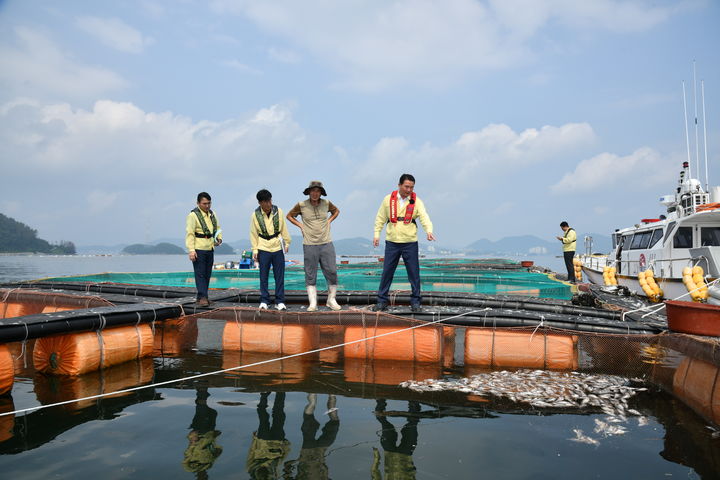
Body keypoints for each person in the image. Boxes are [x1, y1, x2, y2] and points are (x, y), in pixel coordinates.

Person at [373, 174, 435, 312]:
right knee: (387, 272)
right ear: (399, 185)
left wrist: (429, 231)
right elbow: (380, 218)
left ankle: (415, 301)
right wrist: (377, 234)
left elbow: (424, 216)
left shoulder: (416, 201)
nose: (409, 190)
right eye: (406, 186)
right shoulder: (388, 199)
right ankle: (382, 300)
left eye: (411, 187)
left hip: (410, 242)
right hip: (392, 241)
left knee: (414, 273)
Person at [286, 181, 342, 311]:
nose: (315, 193)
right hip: (309, 243)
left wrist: (329, 220)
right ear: (309, 192)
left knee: (332, 271)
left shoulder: (326, 203)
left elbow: (336, 211)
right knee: (310, 273)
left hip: (326, 241)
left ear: (321, 192)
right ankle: (313, 303)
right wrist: (300, 225)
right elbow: (289, 216)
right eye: (313, 191)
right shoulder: (302, 205)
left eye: (318, 191)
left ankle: (331, 300)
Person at [250, 189, 291, 310]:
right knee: (263, 275)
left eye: (269, 201)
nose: (268, 204)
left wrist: (287, 242)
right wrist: (255, 250)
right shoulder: (255, 215)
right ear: (260, 203)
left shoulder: (279, 211)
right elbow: (253, 233)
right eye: (265, 202)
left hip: (277, 246)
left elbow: (284, 228)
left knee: (279, 275)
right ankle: (264, 300)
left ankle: (280, 301)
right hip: (263, 246)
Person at [283, 393, 340, 480]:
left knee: (311, 419)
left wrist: (298, 461)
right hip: (319, 451)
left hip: (308, 451)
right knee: (335, 422)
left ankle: (314, 396)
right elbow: (287, 467)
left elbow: (286, 467)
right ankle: (330, 396)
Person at [186, 192, 222, 306]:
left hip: (210, 247)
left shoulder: (212, 214)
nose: (207, 206)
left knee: (207, 273)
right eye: (204, 203)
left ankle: (201, 296)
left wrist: (219, 238)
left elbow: (217, 228)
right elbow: (190, 233)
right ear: (198, 203)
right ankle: (203, 297)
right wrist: (191, 250)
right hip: (198, 248)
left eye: (209, 203)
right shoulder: (193, 215)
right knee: (200, 274)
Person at [371, 399, 421, 480]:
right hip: (406, 455)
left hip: (389, 452)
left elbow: (374, 473)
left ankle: (381, 400)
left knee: (384, 423)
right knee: (412, 424)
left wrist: (376, 457)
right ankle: (414, 400)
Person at [246, 392, 291, 480]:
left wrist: (254, 440)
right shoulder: (274, 475)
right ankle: (280, 392)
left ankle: (264, 395)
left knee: (264, 418)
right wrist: (286, 446)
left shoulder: (252, 471)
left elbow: (251, 455)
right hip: (276, 443)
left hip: (264, 442)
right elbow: (280, 461)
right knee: (278, 415)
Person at [182, 386, 223, 479]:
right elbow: (216, 450)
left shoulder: (190, 467)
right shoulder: (209, 465)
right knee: (213, 413)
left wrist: (193, 439)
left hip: (199, 434)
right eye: (205, 477)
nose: (204, 475)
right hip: (210, 433)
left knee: (202, 408)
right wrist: (215, 436)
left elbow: (187, 454)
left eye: (202, 478)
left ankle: (202, 387)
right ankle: (200, 392)